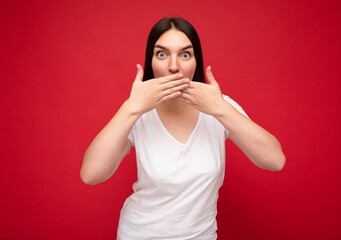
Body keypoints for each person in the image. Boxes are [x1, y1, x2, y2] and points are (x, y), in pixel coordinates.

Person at [80, 16, 285, 240]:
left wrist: (220, 109)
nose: (174, 66)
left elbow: (275, 161)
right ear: (151, 61)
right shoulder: (138, 112)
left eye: (185, 54)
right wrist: (131, 108)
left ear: (196, 61)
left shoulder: (219, 106)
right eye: (162, 54)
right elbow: (91, 175)